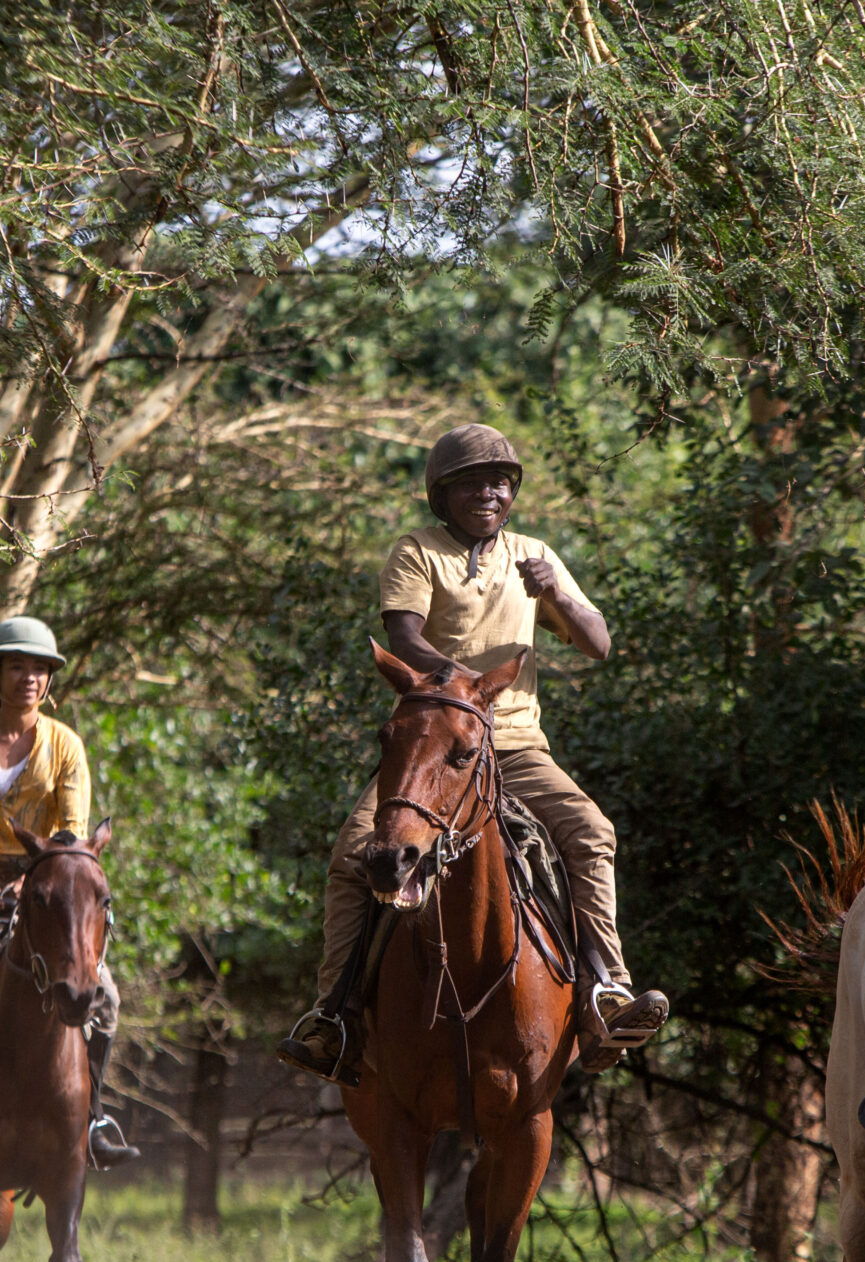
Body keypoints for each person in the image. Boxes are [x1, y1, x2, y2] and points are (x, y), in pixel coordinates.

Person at [277, 424, 669, 1083]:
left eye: (501, 481)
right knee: (353, 855)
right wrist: (467, 687)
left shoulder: (533, 554)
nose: (490, 492)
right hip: (434, 747)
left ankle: (608, 994)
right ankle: (333, 1017)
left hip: (516, 745)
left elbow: (598, 643)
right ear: (443, 493)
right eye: (473, 482)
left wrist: (558, 595)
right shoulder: (418, 552)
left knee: (591, 832)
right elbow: (403, 636)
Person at [0, 615, 137, 1167]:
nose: (30, 678)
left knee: (104, 994)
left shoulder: (65, 746)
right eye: (18, 667)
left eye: (40, 669)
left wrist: (34, 878)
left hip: (48, 889)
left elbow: (70, 830)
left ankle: (94, 1116)